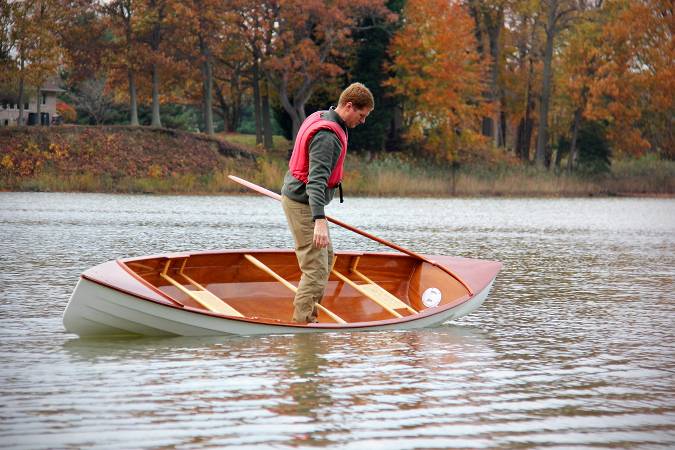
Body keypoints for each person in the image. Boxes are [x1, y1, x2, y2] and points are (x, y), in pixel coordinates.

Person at [281, 82, 374, 323]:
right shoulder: (327, 137)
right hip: (304, 203)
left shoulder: (323, 116)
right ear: (349, 106)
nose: (363, 122)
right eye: (362, 115)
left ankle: (310, 317)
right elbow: (315, 181)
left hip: (301, 200)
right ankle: (302, 325)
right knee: (315, 269)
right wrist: (319, 220)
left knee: (327, 258)